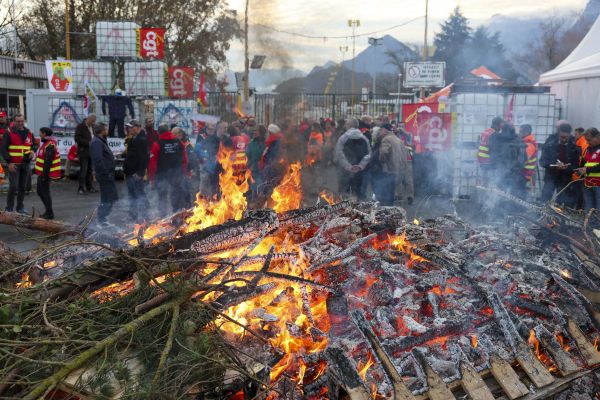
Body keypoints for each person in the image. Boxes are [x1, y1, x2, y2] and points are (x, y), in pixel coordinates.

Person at [148, 125, 188, 217]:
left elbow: (152, 163)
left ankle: (163, 217)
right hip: (177, 174)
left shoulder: (157, 144)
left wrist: (152, 178)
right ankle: (176, 215)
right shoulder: (179, 143)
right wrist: (183, 172)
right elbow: (185, 159)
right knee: (176, 195)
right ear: (169, 131)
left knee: (162, 196)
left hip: (161, 175)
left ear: (159, 132)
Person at [539, 123, 580, 207]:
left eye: (566, 137)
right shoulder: (549, 145)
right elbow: (542, 162)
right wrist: (554, 165)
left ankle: (559, 219)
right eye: (562, 137)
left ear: (569, 134)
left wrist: (566, 168)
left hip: (565, 179)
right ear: (558, 134)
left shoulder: (574, 147)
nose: (564, 139)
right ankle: (542, 218)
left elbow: (576, 165)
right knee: (545, 200)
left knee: (562, 203)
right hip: (550, 177)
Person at [1, 114, 34, 213]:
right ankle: (9, 208)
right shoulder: (9, 132)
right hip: (14, 164)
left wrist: (33, 150)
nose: (20, 123)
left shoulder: (29, 132)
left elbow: (34, 144)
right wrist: (9, 162)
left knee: (23, 187)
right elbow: (3, 148)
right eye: (18, 121)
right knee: (13, 186)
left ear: (24, 121)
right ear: (14, 121)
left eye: (22, 121)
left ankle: (20, 208)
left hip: (25, 164)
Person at [334, 118, 371, 200]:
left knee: (344, 195)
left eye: (346, 124)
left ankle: (344, 211)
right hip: (360, 172)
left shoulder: (343, 138)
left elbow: (339, 153)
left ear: (350, 126)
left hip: (345, 171)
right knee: (358, 195)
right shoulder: (364, 138)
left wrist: (348, 166)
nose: (345, 126)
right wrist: (360, 166)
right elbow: (368, 154)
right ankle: (359, 211)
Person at [371, 123, 407, 206]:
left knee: (386, 194)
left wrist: (381, 161)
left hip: (387, 170)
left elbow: (384, 153)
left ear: (384, 130)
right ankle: (390, 209)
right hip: (396, 170)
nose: (380, 132)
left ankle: (386, 211)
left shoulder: (386, 139)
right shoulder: (398, 139)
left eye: (381, 129)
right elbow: (404, 154)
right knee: (391, 193)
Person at [488, 123, 527, 197]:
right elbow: (523, 160)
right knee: (513, 195)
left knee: (498, 195)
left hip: (498, 173)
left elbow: (491, 154)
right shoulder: (518, 141)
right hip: (514, 174)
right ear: (512, 130)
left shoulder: (495, 139)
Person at [90, 124, 118, 226]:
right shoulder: (97, 142)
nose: (107, 131)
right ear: (102, 131)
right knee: (107, 198)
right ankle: (101, 220)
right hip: (105, 175)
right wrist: (105, 173)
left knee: (110, 197)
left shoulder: (100, 141)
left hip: (107, 174)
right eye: (106, 129)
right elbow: (98, 160)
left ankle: (103, 219)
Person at [123, 119, 149, 222]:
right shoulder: (135, 138)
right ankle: (134, 215)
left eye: (131, 127)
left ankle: (144, 216)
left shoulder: (141, 139)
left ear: (137, 127)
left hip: (135, 174)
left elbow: (145, 157)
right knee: (133, 195)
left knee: (139, 195)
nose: (129, 129)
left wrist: (140, 173)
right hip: (131, 173)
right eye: (128, 127)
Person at [34, 127, 61, 219]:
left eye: (40, 133)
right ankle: (48, 211)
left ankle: (49, 213)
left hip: (45, 174)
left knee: (45, 192)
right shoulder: (46, 143)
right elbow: (42, 159)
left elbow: (48, 162)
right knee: (40, 192)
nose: (39, 135)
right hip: (42, 173)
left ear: (44, 133)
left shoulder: (50, 145)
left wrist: (44, 176)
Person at [575, 127, 600, 211]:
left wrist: (587, 170)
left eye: (589, 140)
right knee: (588, 209)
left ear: (597, 137)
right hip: (587, 183)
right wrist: (581, 170)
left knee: (598, 209)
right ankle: (589, 224)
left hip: (598, 185)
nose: (587, 143)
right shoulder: (588, 150)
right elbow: (585, 164)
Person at [74, 114, 97, 194]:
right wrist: (89, 143)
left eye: (94, 122)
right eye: (92, 121)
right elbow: (77, 138)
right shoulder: (80, 126)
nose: (93, 123)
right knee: (83, 170)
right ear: (88, 119)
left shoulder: (93, 127)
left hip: (91, 152)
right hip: (83, 151)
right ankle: (80, 188)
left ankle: (89, 187)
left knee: (90, 171)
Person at [478, 117, 504, 181]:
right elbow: (494, 150)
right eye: (501, 125)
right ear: (499, 124)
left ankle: (483, 189)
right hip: (489, 161)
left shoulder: (485, 132)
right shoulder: (494, 134)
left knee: (484, 179)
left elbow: (478, 144)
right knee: (492, 181)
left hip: (481, 160)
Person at [396, 124, 415, 205]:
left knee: (408, 180)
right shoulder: (395, 135)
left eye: (402, 126)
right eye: (399, 126)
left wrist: (403, 131)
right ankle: (399, 196)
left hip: (408, 160)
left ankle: (410, 196)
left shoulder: (409, 135)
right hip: (398, 160)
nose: (400, 128)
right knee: (398, 179)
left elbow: (411, 140)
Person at [519, 124, 538, 189]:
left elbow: (523, 159)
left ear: (526, 132)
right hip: (523, 173)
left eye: (520, 131)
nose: (519, 133)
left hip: (525, 174)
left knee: (520, 195)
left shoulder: (530, 144)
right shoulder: (525, 142)